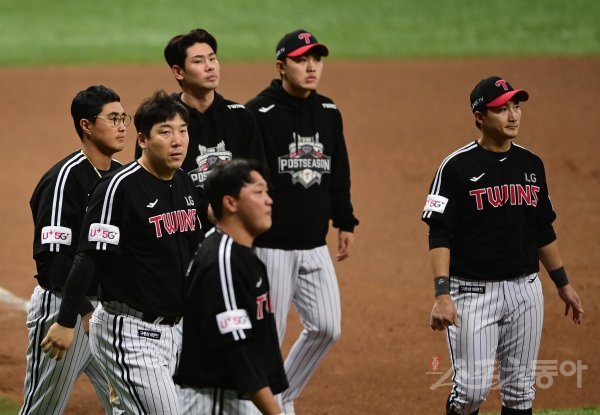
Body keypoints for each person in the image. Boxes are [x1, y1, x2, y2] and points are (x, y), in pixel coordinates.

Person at [422, 76, 584, 415]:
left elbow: (542, 230)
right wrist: (442, 294)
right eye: (501, 109)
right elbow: (439, 233)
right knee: (470, 393)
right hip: (472, 294)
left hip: (526, 292)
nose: (513, 116)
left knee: (520, 394)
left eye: (516, 106)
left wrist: (563, 283)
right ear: (479, 116)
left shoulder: (531, 165)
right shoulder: (455, 167)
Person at [41, 90, 205, 414]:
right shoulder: (119, 188)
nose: (177, 141)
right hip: (130, 333)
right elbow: (89, 257)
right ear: (142, 139)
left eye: (182, 131)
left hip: (176, 330)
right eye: (165, 132)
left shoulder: (184, 183)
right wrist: (66, 320)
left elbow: (194, 253)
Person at [245, 29, 359, 414]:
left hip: (314, 244)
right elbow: (252, 181)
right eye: (301, 59)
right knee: (268, 337)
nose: (312, 66)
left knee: (327, 327)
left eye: (317, 59)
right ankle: (264, 406)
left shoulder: (328, 111)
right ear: (281, 66)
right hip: (271, 246)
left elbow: (338, 170)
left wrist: (345, 220)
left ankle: (281, 396)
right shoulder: (258, 113)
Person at [21, 85, 127, 414]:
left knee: (129, 405)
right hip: (65, 308)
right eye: (113, 118)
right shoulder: (64, 179)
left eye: (123, 118)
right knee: (44, 408)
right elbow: (54, 258)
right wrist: (81, 312)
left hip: (106, 314)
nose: (122, 126)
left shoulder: (122, 176)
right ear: (86, 125)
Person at [174, 159, 288, 415]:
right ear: (230, 203)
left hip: (239, 396)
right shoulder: (222, 259)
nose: (269, 200)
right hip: (218, 402)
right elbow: (237, 348)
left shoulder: (239, 253)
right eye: (258, 192)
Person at [136, 28, 265, 192]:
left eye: (212, 58)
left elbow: (259, 177)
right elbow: (144, 180)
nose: (209, 67)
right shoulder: (159, 119)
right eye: (198, 61)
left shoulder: (240, 116)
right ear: (178, 72)